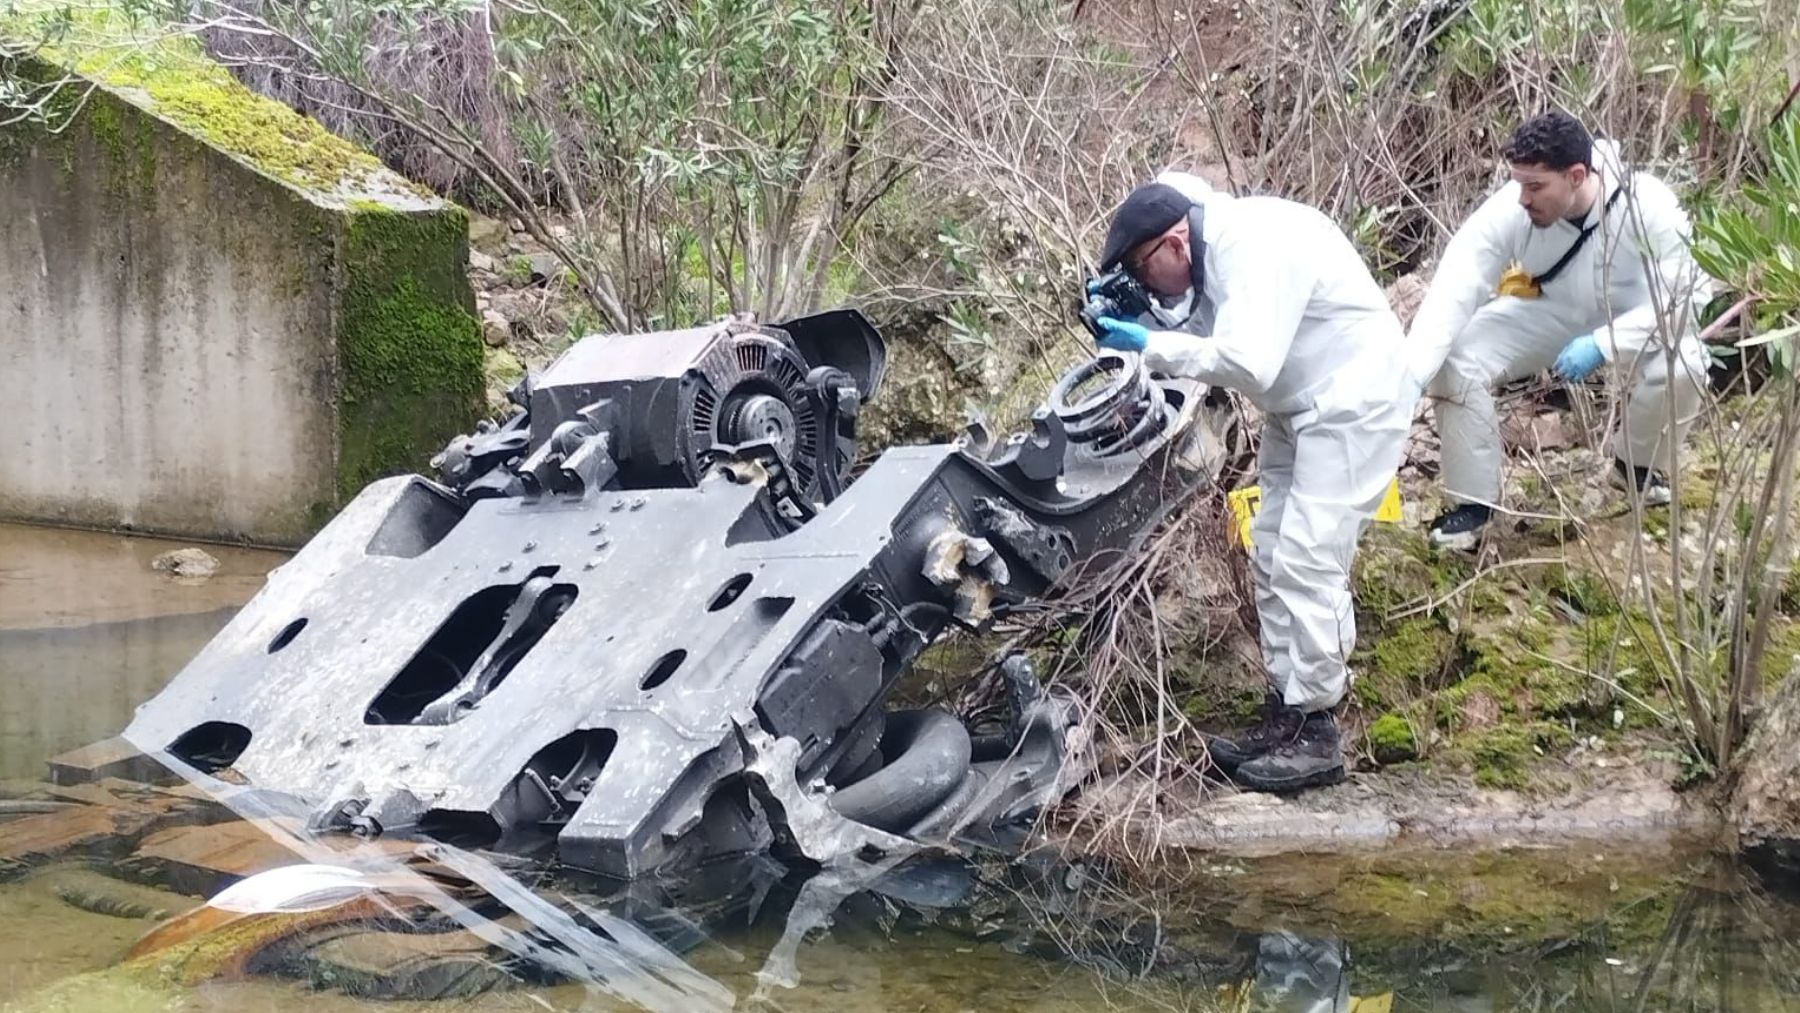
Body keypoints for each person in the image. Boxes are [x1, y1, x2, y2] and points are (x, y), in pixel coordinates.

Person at [1090, 171, 1410, 792]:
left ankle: (1318, 729)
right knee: (1269, 550)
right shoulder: (1213, 252)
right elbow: (1211, 338)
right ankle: (1289, 707)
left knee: (1308, 556)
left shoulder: (1253, 245)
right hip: (1302, 407)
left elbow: (1247, 361)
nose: (1143, 282)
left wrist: (1149, 344)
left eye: (1141, 268)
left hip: (1356, 401)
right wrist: (1139, 319)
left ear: (1175, 244)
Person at [1407, 111, 1714, 550]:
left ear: (1576, 176)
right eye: (1519, 184)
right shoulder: (1511, 210)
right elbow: (1458, 283)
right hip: (1552, 311)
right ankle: (1473, 505)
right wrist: (1413, 371)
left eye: (1535, 187)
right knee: (1457, 362)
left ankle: (1638, 467)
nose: (1523, 198)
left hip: (1634, 319)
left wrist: (1605, 343)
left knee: (1686, 362)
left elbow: (1685, 297)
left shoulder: (1650, 205)